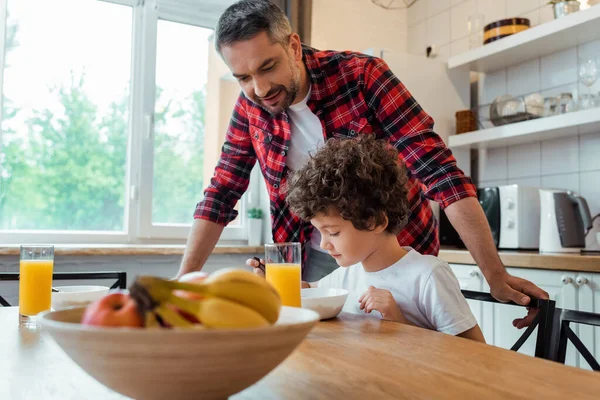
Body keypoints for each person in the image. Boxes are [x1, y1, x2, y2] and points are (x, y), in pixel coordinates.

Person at [177, 0, 548, 328]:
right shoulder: (250, 108)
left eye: (268, 67)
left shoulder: (360, 75)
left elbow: (440, 172)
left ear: (293, 46)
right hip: (310, 263)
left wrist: (495, 275)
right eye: (243, 77)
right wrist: (184, 284)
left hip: (394, 253)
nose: (259, 89)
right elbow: (222, 191)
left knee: (403, 349)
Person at [252, 136, 485, 342]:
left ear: (375, 222)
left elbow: (475, 351)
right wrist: (269, 281)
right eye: (320, 232)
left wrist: (399, 321)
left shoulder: (427, 276)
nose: (324, 244)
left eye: (333, 232)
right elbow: (307, 290)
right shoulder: (347, 275)